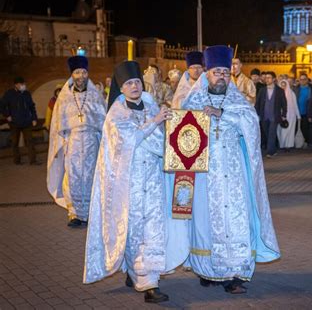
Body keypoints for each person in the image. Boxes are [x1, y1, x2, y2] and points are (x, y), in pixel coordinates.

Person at [84, 60, 187, 303]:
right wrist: (155, 123)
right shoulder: (116, 115)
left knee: (153, 230)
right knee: (134, 231)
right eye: (129, 83)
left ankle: (148, 280)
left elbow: (165, 142)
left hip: (153, 182)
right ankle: (139, 276)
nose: (134, 86)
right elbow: (130, 140)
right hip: (128, 184)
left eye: (137, 82)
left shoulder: (152, 107)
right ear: (121, 88)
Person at [180, 45, 280, 294]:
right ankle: (207, 271)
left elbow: (251, 124)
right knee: (205, 221)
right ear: (207, 73)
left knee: (235, 221)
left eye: (226, 72)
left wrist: (222, 114)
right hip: (205, 175)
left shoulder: (238, 100)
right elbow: (181, 135)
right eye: (217, 72)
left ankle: (235, 274)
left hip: (234, 175)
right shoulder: (192, 100)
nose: (222, 76)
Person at [47, 55, 106, 227]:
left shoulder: (95, 96)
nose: (81, 75)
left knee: (91, 176)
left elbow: (103, 122)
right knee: (72, 176)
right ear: (72, 75)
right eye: (77, 72)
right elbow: (58, 124)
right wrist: (62, 144)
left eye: (84, 72)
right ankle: (75, 214)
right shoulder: (64, 98)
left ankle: (90, 213)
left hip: (91, 143)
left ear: (88, 74)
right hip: (72, 143)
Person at [1, 77, 39, 165]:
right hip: (14, 123)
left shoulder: (26, 93)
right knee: (15, 143)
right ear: (16, 85)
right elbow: (2, 106)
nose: (24, 86)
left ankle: (33, 161)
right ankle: (17, 161)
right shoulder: (9, 94)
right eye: (22, 84)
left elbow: (32, 107)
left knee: (30, 141)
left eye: (24, 84)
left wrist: (34, 118)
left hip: (27, 122)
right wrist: (7, 115)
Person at [255, 71, 287, 157]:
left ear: (273, 79)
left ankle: (270, 152)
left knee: (271, 134)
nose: (267, 79)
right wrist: (256, 114)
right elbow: (257, 103)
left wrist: (284, 115)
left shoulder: (280, 91)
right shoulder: (262, 90)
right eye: (266, 78)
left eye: (269, 78)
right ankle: (274, 149)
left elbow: (284, 104)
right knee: (267, 133)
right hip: (264, 116)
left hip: (275, 116)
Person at [277, 79, 300, 151]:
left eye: (284, 85)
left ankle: (288, 145)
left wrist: (298, 115)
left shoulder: (291, 93)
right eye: (281, 85)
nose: (283, 87)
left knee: (289, 131)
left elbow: (295, 105)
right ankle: (282, 145)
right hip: (280, 115)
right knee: (281, 131)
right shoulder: (277, 94)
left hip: (291, 115)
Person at [294, 73, 312, 145]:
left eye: (304, 79)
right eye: (301, 79)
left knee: (306, 129)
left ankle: (306, 142)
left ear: (307, 80)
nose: (302, 81)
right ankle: (298, 143)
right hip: (297, 112)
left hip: (307, 112)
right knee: (297, 128)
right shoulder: (296, 88)